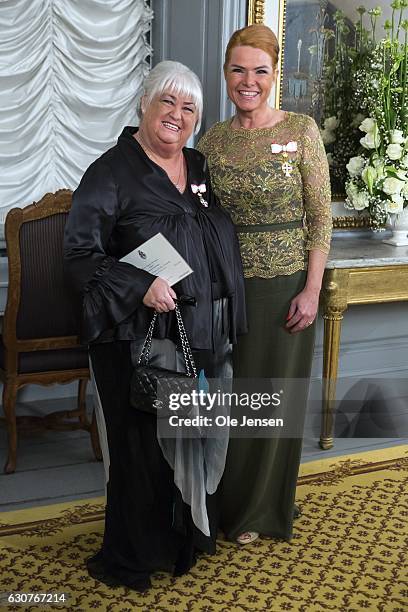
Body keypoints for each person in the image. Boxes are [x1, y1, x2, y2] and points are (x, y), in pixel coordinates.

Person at [63, 60, 246, 591]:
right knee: (141, 446)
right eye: (167, 102)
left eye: (188, 107)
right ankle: (134, 552)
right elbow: (78, 257)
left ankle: (179, 536)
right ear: (144, 104)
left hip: (194, 331)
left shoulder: (198, 164)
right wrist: (137, 285)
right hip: (132, 335)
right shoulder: (109, 171)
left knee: (188, 437)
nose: (177, 115)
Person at [197, 24, 332, 545]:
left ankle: (260, 509)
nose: (247, 81)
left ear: (275, 75)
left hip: (286, 288)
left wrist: (312, 289)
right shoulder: (212, 138)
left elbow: (320, 218)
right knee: (230, 401)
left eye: (259, 71)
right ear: (226, 74)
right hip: (225, 287)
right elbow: (197, 214)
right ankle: (222, 501)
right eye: (238, 70)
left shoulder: (301, 130)